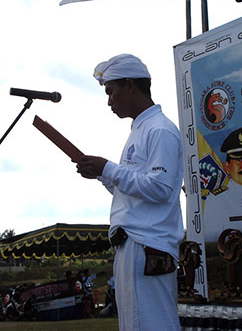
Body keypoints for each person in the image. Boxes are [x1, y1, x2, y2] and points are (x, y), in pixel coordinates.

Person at [75, 53, 182, 331]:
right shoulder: (140, 130)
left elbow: (160, 188)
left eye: (111, 92)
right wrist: (102, 174)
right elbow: (135, 190)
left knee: (153, 324)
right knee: (135, 324)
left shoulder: (160, 130)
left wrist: (108, 168)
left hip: (147, 245)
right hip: (133, 244)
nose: (109, 101)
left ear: (131, 86)